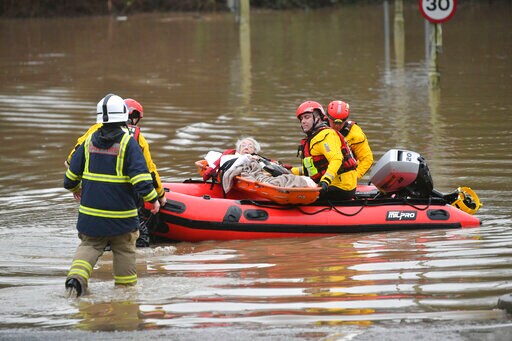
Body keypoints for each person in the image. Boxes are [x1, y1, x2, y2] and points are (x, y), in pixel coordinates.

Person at [63, 94, 160, 297]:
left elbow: (70, 177)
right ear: (124, 116)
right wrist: (153, 199)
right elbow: (142, 178)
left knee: (89, 245)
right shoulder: (129, 143)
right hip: (121, 217)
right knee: (124, 248)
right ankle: (125, 296)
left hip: (91, 215)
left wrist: (75, 189)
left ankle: (75, 281)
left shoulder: (88, 140)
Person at [65, 98, 167, 207]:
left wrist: (76, 188)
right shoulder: (137, 139)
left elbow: (70, 162)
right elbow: (149, 171)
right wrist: (159, 195)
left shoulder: (94, 131)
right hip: (122, 201)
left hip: (92, 198)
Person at [291, 100, 358, 201]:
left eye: (307, 117)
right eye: (301, 119)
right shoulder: (313, 138)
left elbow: (336, 159)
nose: (303, 121)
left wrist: (325, 180)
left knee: (296, 195)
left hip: (341, 187)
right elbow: (311, 168)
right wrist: (289, 171)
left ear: (317, 118)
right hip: (331, 184)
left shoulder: (326, 136)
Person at [325, 100, 373, 179]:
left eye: (341, 122)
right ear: (328, 118)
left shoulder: (355, 134)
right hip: (324, 176)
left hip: (345, 179)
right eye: (334, 122)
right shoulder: (319, 129)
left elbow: (366, 159)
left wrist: (354, 177)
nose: (337, 126)